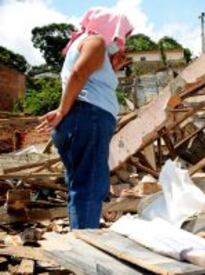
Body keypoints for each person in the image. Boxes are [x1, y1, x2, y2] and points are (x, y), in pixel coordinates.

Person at [37, 8, 133, 229]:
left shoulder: (85, 44)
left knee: (81, 187)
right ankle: (86, 251)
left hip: (81, 120)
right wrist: (61, 110)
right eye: (121, 33)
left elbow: (87, 78)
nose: (122, 40)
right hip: (87, 118)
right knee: (90, 187)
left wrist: (111, 68)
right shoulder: (96, 41)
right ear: (109, 27)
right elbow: (78, 74)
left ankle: (80, 243)